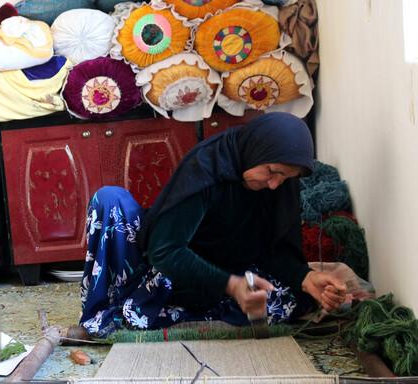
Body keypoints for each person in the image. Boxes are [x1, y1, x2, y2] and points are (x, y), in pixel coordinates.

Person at [79, 112, 347, 337]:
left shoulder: (280, 183)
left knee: (289, 300)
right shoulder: (207, 168)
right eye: (272, 172)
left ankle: (197, 309)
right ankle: (147, 304)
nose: (275, 184)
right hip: (172, 267)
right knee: (109, 199)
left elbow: (272, 248)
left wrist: (305, 277)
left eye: (285, 178)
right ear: (256, 151)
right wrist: (232, 286)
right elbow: (165, 251)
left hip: (231, 267)